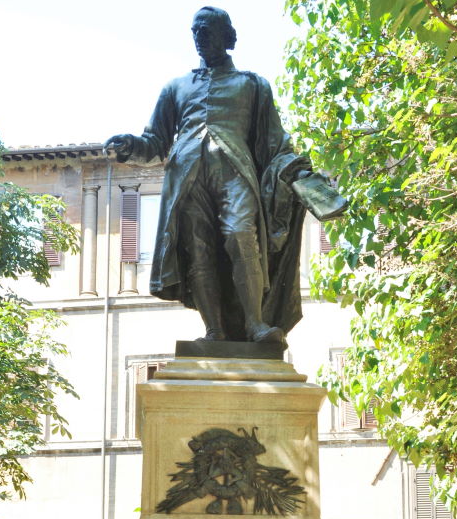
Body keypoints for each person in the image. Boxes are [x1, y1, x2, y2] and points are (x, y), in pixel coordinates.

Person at [105, 7, 339, 345]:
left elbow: (275, 143)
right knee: (198, 250)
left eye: (208, 29)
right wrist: (130, 145)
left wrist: (301, 175)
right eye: (195, 30)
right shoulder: (176, 87)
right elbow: (155, 141)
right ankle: (213, 330)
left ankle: (255, 324)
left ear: (227, 36)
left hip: (235, 172)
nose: (200, 35)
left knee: (241, 236)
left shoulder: (252, 85)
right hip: (186, 177)